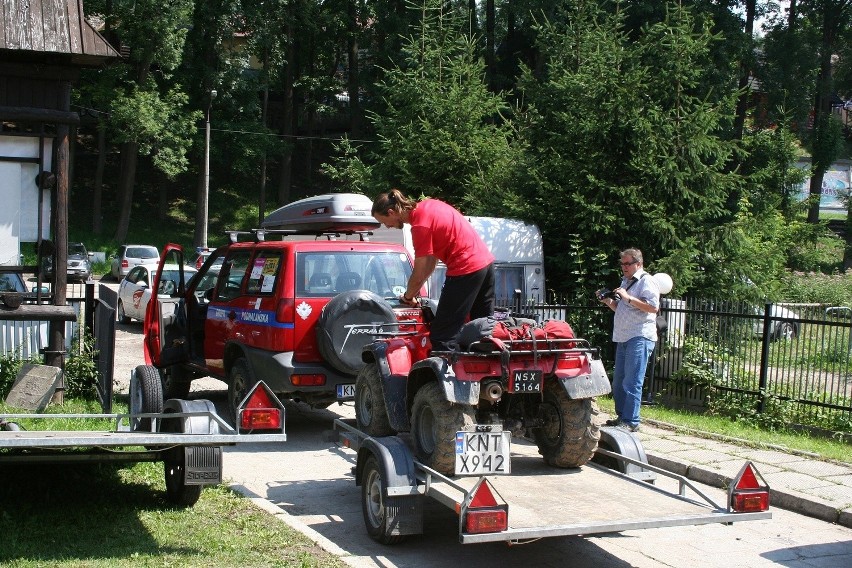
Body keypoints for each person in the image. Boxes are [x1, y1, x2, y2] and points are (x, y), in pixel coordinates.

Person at [371, 189, 495, 351]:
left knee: (442, 335)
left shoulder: (420, 225)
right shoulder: (429, 205)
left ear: (391, 212)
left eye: (385, 221)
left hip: (465, 268)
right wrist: (413, 293)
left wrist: (408, 295)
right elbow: (430, 262)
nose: (387, 226)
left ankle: (447, 374)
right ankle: (486, 374)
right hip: (486, 265)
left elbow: (420, 270)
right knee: (481, 330)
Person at [597, 248, 660, 432]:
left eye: (627, 263)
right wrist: (608, 302)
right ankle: (621, 418)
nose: (624, 267)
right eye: (622, 263)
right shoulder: (626, 281)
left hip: (639, 336)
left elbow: (653, 307)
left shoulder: (647, 281)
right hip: (623, 336)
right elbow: (623, 309)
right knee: (619, 382)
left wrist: (628, 298)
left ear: (638, 264)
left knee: (632, 381)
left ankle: (631, 421)